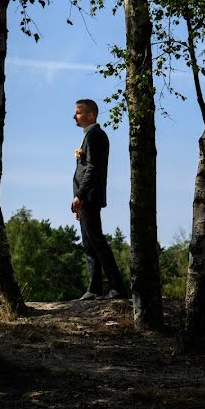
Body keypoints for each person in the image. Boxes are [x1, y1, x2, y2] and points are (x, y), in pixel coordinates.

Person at [72, 99, 127, 301]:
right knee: (89, 243)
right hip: (86, 197)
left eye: (78, 112)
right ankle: (93, 288)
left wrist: (81, 195)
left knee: (97, 241)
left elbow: (93, 168)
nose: (75, 116)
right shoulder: (89, 136)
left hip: (90, 197)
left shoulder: (96, 136)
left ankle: (116, 287)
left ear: (91, 115)